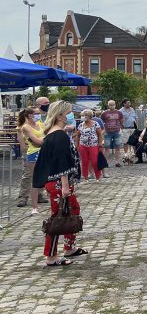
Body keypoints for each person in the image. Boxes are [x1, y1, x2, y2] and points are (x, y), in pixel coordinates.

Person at [32, 100, 87, 267]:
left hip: (58, 181)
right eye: (69, 112)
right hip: (58, 182)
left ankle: (70, 247)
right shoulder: (59, 135)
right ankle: (51, 256)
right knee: (57, 219)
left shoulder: (53, 133)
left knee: (72, 210)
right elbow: (61, 162)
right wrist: (64, 185)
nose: (72, 115)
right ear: (61, 115)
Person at [15, 108, 46, 212]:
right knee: (28, 175)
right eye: (36, 113)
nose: (39, 115)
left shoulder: (40, 123)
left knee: (40, 174)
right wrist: (25, 149)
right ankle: (23, 197)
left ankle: (39, 195)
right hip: (30, 151)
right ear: (29, 115)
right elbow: (22, 142)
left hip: (41, 150)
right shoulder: (22, 126)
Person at [76, 110, 104, 182]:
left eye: (85, 116)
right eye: (82, 115)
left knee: (94, 161)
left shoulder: (95, 124)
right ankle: (85, 177)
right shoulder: (80, 125)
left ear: (90, 116)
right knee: (84, 162)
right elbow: (78, 135)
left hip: (93, 145)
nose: (83, 117)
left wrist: (100, 143)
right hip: (83, 145)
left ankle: (98, 176)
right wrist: (77, 145)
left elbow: (100, 134)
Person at [100, 100, 124, 168]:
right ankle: (106, 162)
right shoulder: (104, 113)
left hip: (117, 132)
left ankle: (117, 162)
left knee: (118, 147)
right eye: (110, 105)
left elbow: (121, 120)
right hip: (107, 132)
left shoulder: (119, 113)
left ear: (115, 105)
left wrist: (119, 126)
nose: (111, 106)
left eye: (113, 104)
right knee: (106, 148)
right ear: (108, 105)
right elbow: (102, 122)